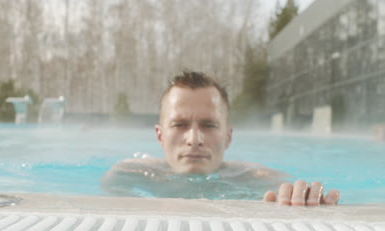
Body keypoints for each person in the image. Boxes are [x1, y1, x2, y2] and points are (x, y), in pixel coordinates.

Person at [102, 71, 340, 206]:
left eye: (209, 125)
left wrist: (304, 197)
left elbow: (295, 189)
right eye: (179, 124)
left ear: (228, 137)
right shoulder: (126, 174)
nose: (194, 139)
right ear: (160, 135)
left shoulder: (255, 178)